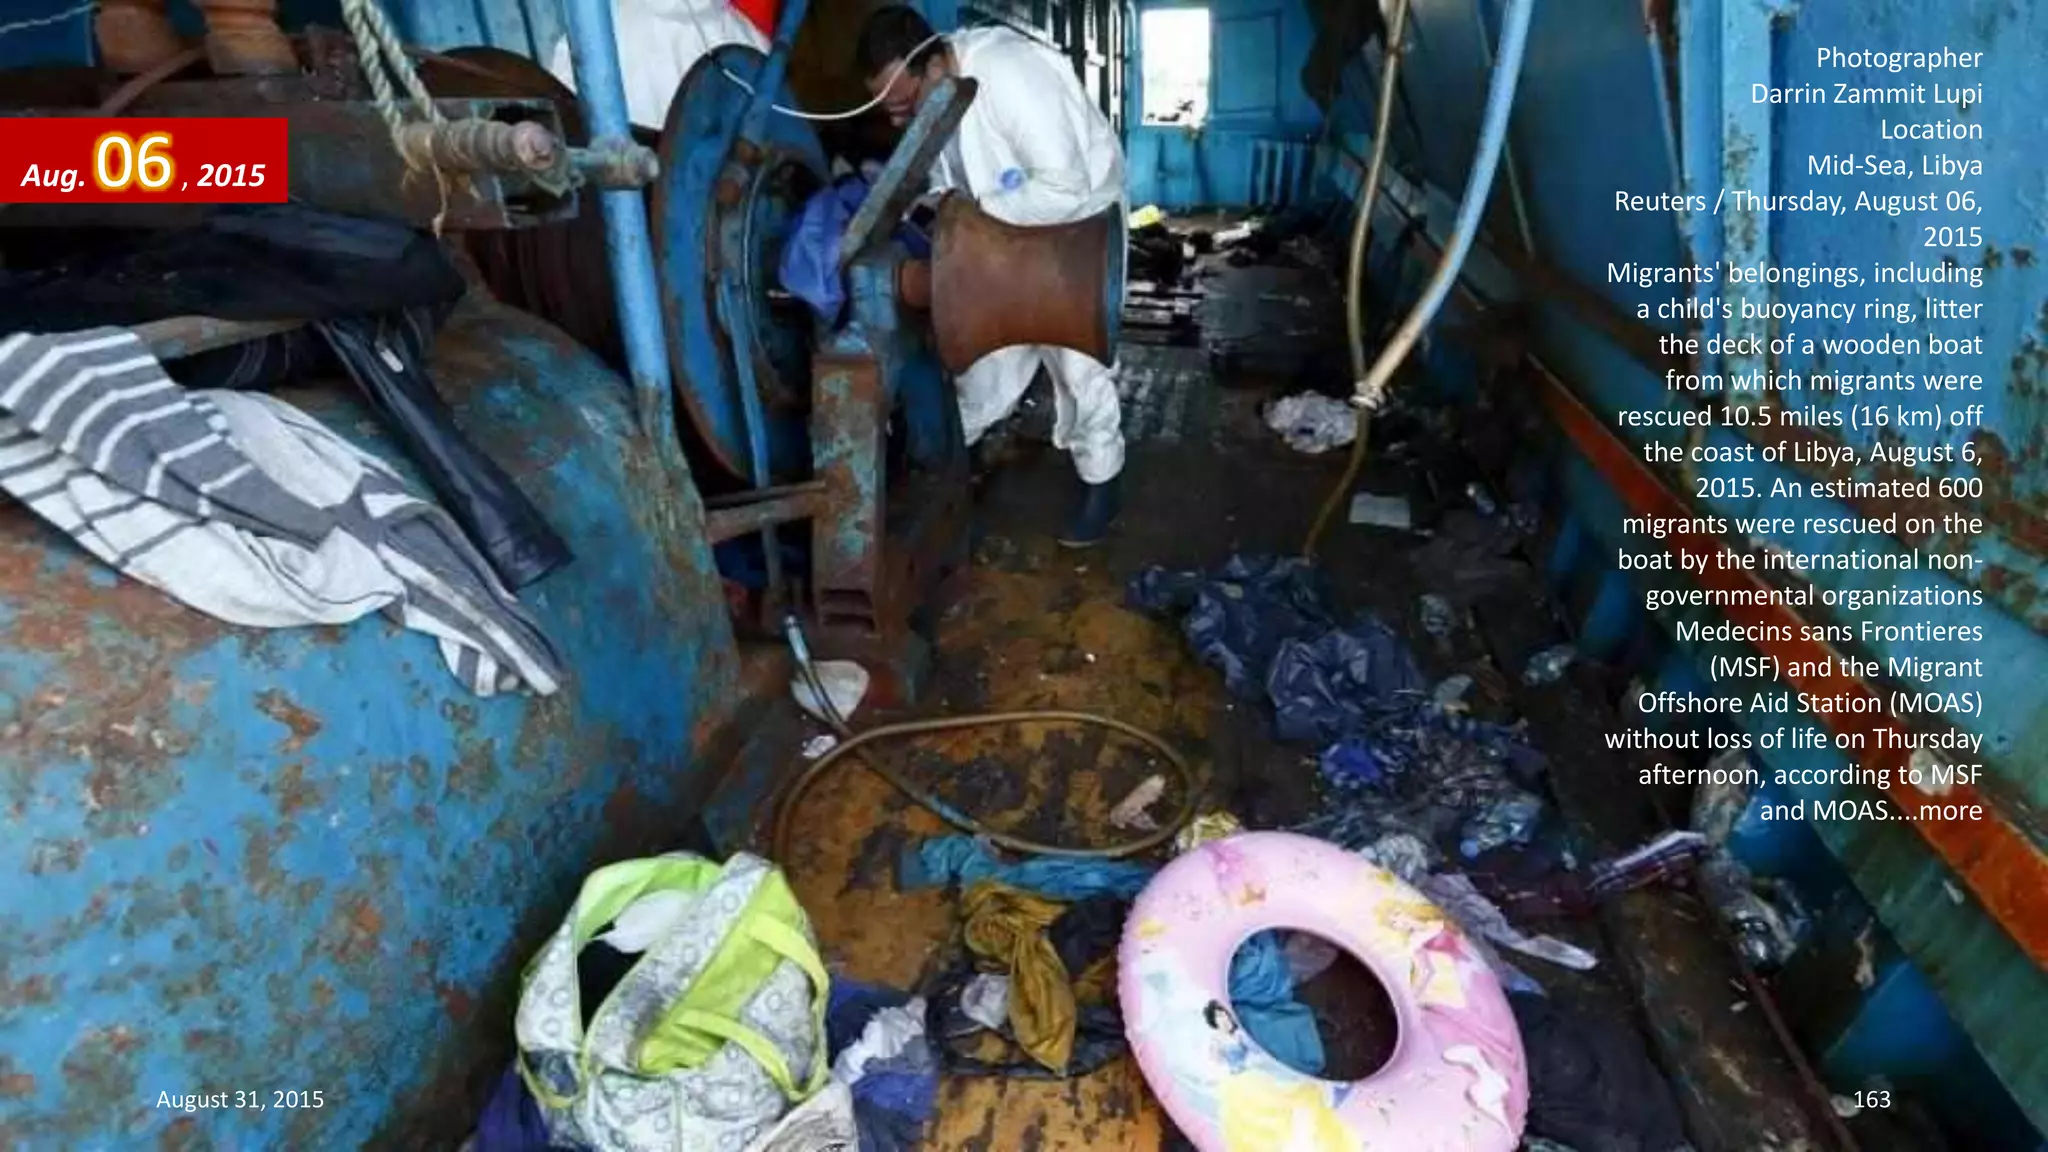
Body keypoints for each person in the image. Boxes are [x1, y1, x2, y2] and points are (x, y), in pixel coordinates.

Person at [856, 6, 1129, 548]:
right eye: (888, 112)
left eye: (903, 105)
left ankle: (1103, 481)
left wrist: (972, 223)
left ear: (934, 64)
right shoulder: (942, 95)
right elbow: (942, 177)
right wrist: (912, 200)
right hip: (996, 231)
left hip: (1075, 227)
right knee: (981, 362)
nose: (897, 120)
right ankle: (954, 470)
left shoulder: (1009, 74)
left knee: (1076, 364)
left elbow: (1064, 186)